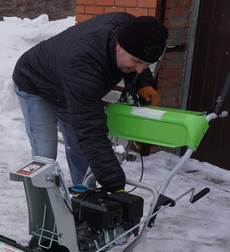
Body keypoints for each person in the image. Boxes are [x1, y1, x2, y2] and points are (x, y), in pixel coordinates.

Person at [12, 12, 169, 192]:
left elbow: (137, 54)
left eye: (146, 65)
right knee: (45, 156)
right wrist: (115, 185)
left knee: (80, 150)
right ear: (119, 45)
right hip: (34, 81)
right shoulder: (86, 64)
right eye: (136, 62)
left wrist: (143, 82)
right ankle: (45, 209)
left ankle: (84, 198)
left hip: (69, 85)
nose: (140, 69)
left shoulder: (129, 27)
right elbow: (91, 131)